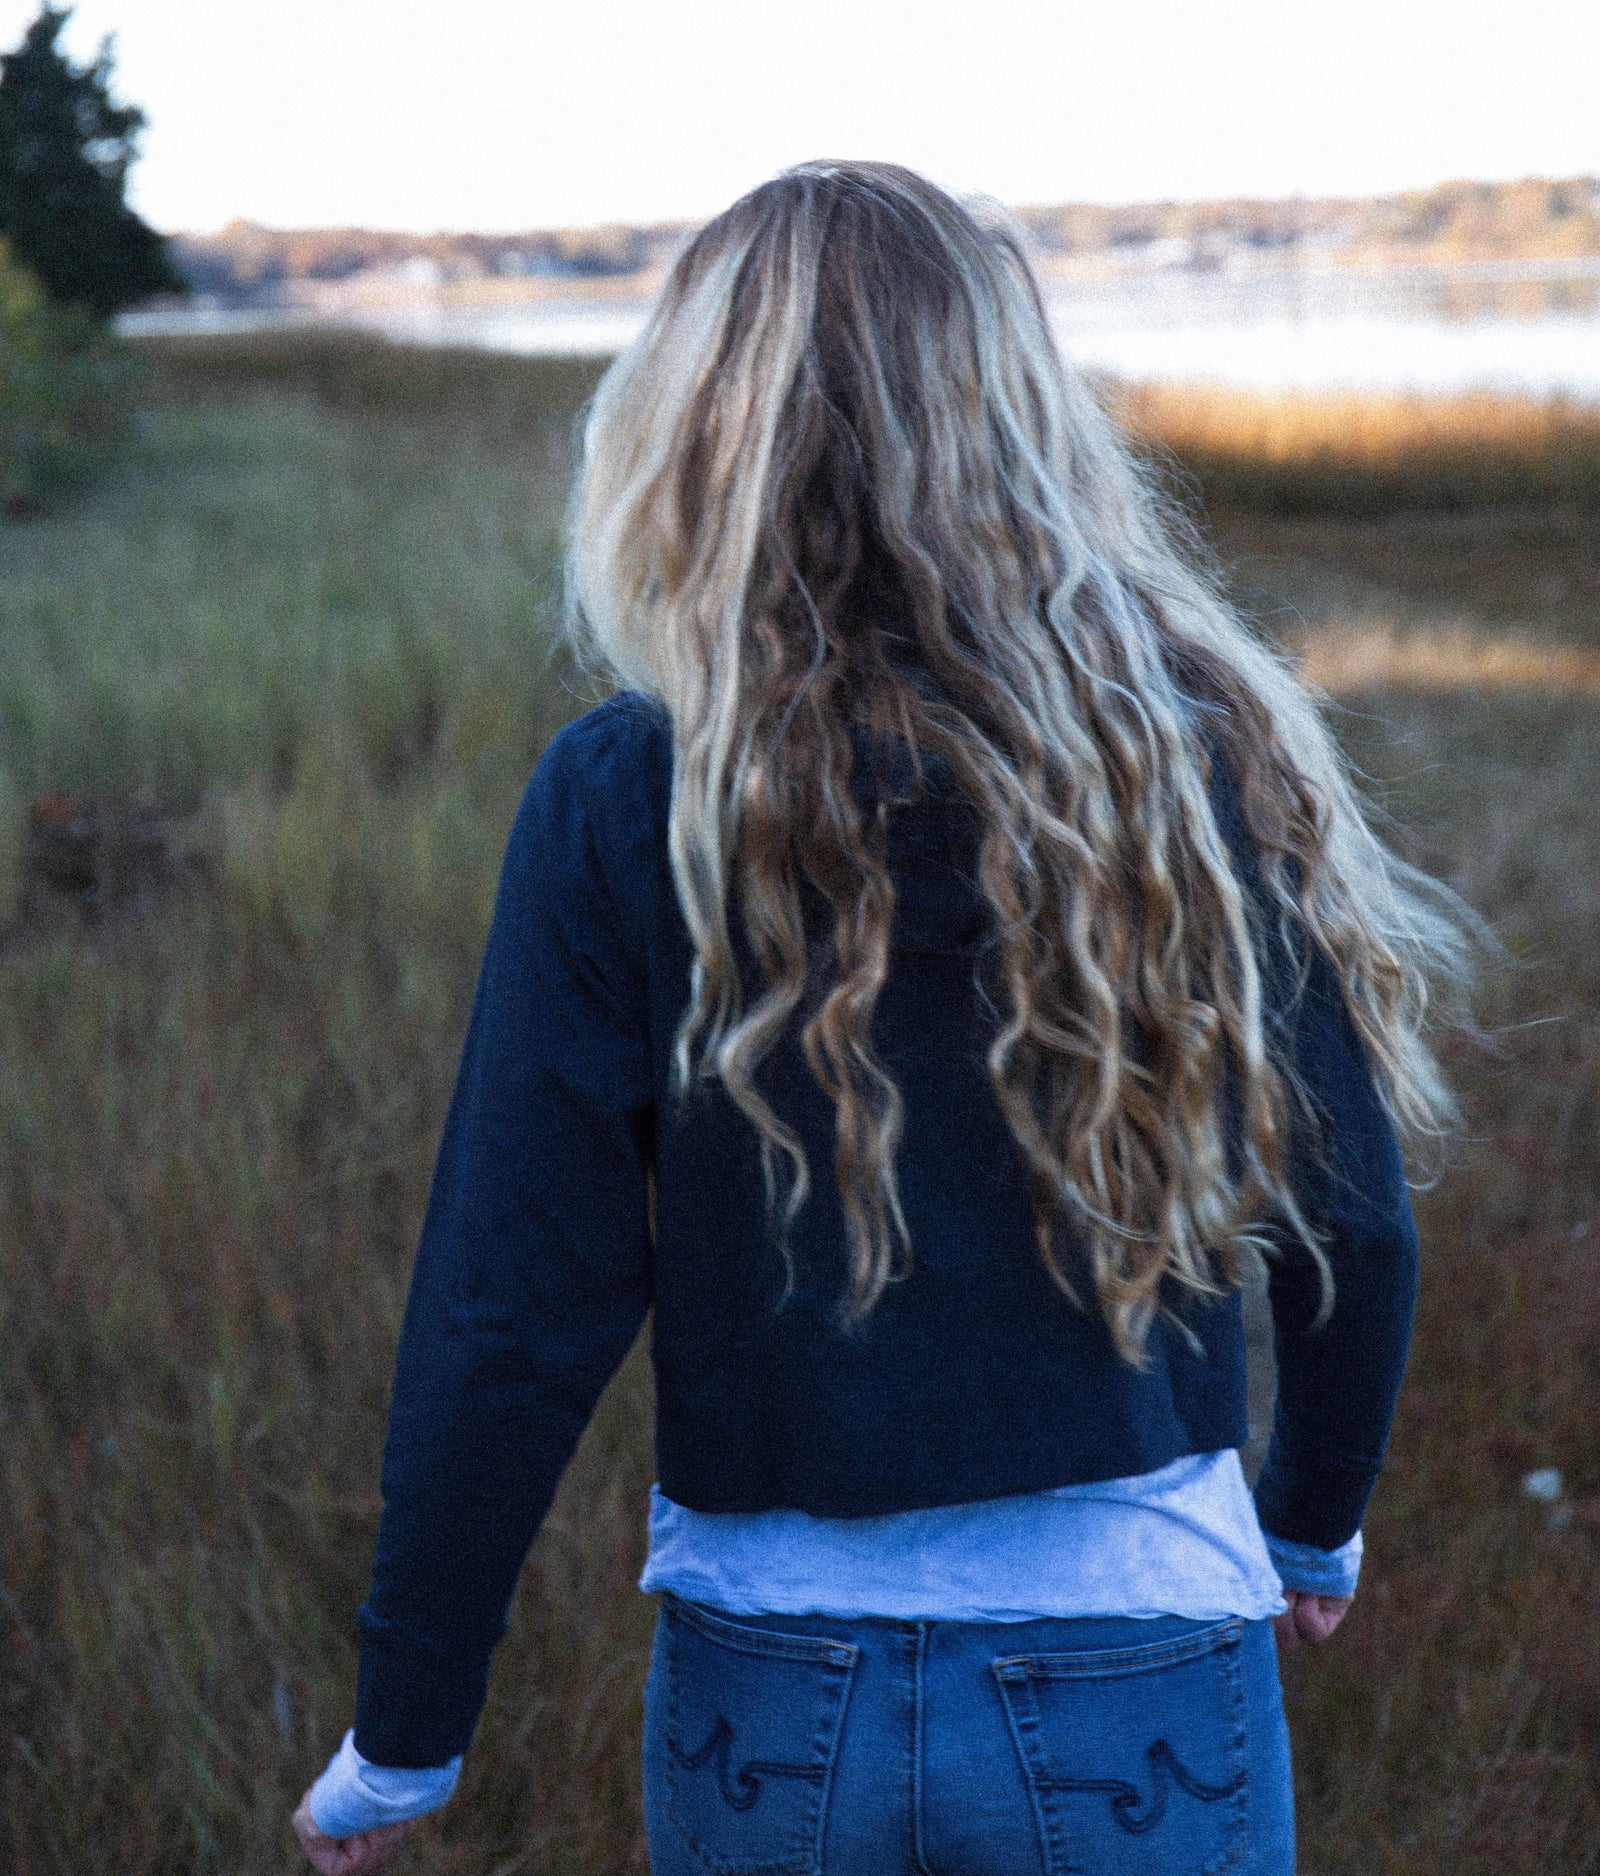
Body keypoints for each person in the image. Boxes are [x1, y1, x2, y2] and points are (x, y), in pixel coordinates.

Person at [292, 161, 1469, 1875]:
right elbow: (1346, 1211)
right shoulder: (1193, 757)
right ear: (1019, 421)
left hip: (769, 1689)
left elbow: (512, 1304)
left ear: (693, 431)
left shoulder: (638, 791)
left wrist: (406, 1736)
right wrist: (1313, 1525)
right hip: (1139, 1653)